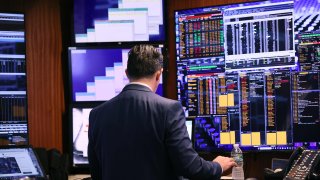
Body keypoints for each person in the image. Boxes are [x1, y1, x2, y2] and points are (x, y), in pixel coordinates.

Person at [88, 44, 236, 180]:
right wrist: (218, 166)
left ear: (127, 73)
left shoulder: (97, 114)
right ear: (159, 74)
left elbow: (96, 173)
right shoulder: (169, 109)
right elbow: (190, 167)